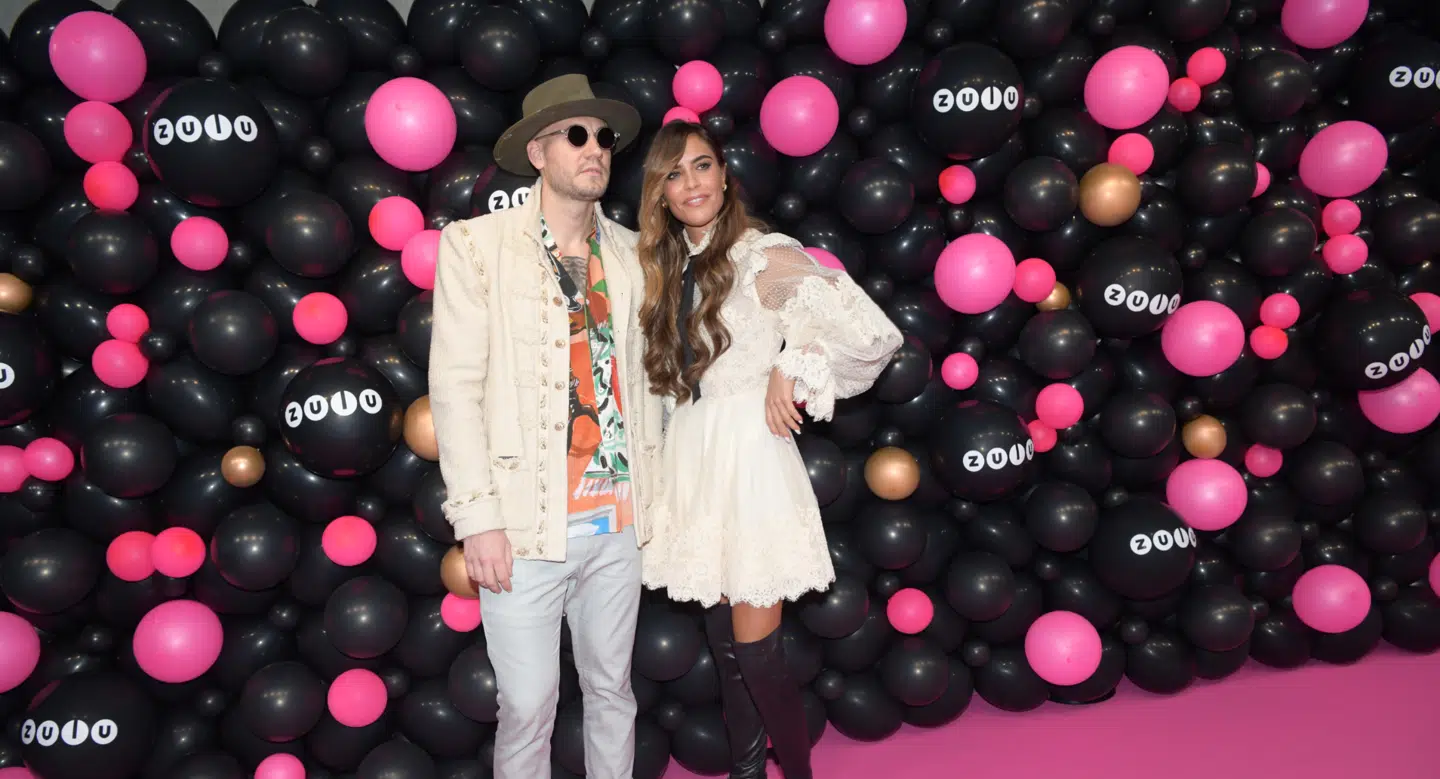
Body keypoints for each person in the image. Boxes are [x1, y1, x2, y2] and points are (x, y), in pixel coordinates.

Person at [636, 121, 904, 779]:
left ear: (725, 175)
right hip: (693, 460)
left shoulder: (762, 255)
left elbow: (871, 333)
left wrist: (793, 361)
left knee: (756, 652)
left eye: (702, 165)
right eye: (674, 173)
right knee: (726, 648)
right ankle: (748, 771)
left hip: (749, 458)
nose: (691, 183)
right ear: (660, 193)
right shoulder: (667, 268)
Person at [428, 74, 665, 779]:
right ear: (537, 152)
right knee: (528, 706)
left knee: (612, 691)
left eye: (604, 138)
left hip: (619, 522)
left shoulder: (633, 253)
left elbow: (653, 386)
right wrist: (477, 518)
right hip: (524, 526)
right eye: (576, 135)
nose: (596, 150)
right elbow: (455, 388)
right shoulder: (476, 246)